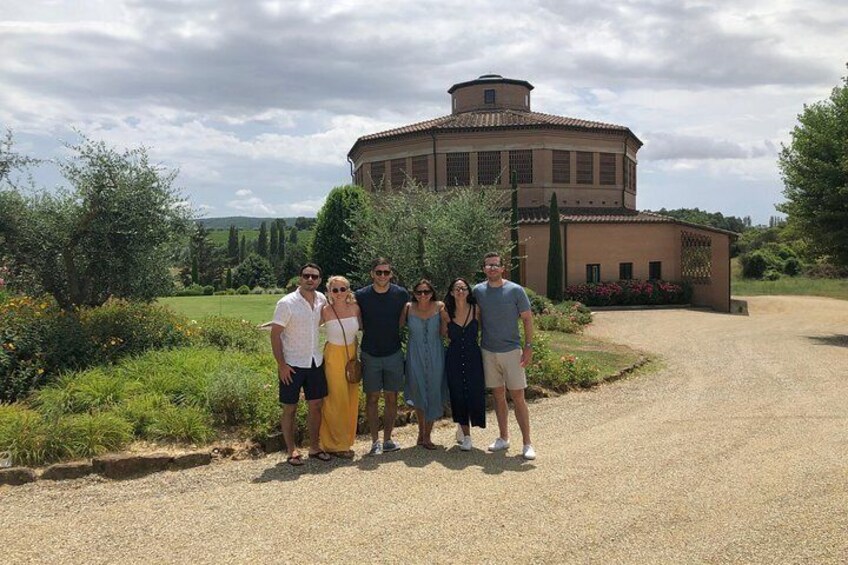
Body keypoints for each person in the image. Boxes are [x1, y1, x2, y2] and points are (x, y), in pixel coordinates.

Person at [473, 252, 537, 460]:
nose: (492, 268)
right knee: (498, 396)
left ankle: (527, 443)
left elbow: (527, 319)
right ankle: (503, 437)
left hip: (511, 351)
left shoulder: (516, 291)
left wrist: (528, 346)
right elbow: (478, 318)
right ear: (484, 269)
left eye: (495, 265)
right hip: (488, 351)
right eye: (488, 265)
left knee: (518, 397)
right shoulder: (478, 291)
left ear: (502, 268)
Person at [270, 263, 330, 466]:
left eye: (314, 276)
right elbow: (275, 334)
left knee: (316, 406)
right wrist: (281, 365)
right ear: (300, 278)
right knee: (290, 408)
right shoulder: (286, 303)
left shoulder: (322, 299)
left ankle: (314, 447)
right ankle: (291, 450)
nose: (310, 279)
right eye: (306, 276)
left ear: (320, 280)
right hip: (292, 364)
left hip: (315, 362)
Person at [355, 258, 409, 455]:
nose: (383, 276)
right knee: (372, 398)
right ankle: (374, 441)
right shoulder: (361, 295)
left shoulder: (401, 294)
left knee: (392, 397)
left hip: (393, 352)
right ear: (372, 274)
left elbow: (403, 320)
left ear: (391, 274)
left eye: (386, 272)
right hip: (370, 353)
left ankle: (388, 439)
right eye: (379, 272)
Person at [441, 277, 486, 452]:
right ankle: (467, 435)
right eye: (457, 288)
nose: (460, 291)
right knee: (458, 393)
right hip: (454, 356)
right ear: (451, 292)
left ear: (468, 291)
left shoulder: (476, 309)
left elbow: (481, 329)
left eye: (464, 288)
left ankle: (462, 425)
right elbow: (443, 333)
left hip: (473, 355)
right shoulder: (445, 312)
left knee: (474, 391)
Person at [319, 275, 361, 459]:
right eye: (334, 290)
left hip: (351, 355)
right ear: (329, 292)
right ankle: (333, 444)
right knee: (335, 399)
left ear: (348, 290)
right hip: (333, 356)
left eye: (342, 289)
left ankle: (346, 441)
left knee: (351, 398)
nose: (339, 293)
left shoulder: (355, 308)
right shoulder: (325, 311)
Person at [401, 279, 446, 449]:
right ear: (414, 293)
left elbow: (445, 331)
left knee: (433, 391)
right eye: (419, 292)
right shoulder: (407, 307)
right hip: (415, 355)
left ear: (432, 292)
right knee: (418, 391)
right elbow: (396, 326)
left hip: (436, 353)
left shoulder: (439, 306)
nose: (423, 295)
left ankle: (427, 435)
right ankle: (421, 433)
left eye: (426, 292)